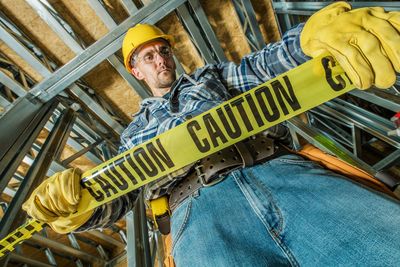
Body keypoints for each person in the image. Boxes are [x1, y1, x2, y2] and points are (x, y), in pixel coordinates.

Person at [23, 2, 400, 266]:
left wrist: (306, 41)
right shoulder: (133, 135)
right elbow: (120, 195)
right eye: (148, 57)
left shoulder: (212, 78)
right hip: (198, 218)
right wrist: (77, 208)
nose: (161, 60)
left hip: (285, 176)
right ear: (136, 71)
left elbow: (264, 66)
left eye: (163, 51)